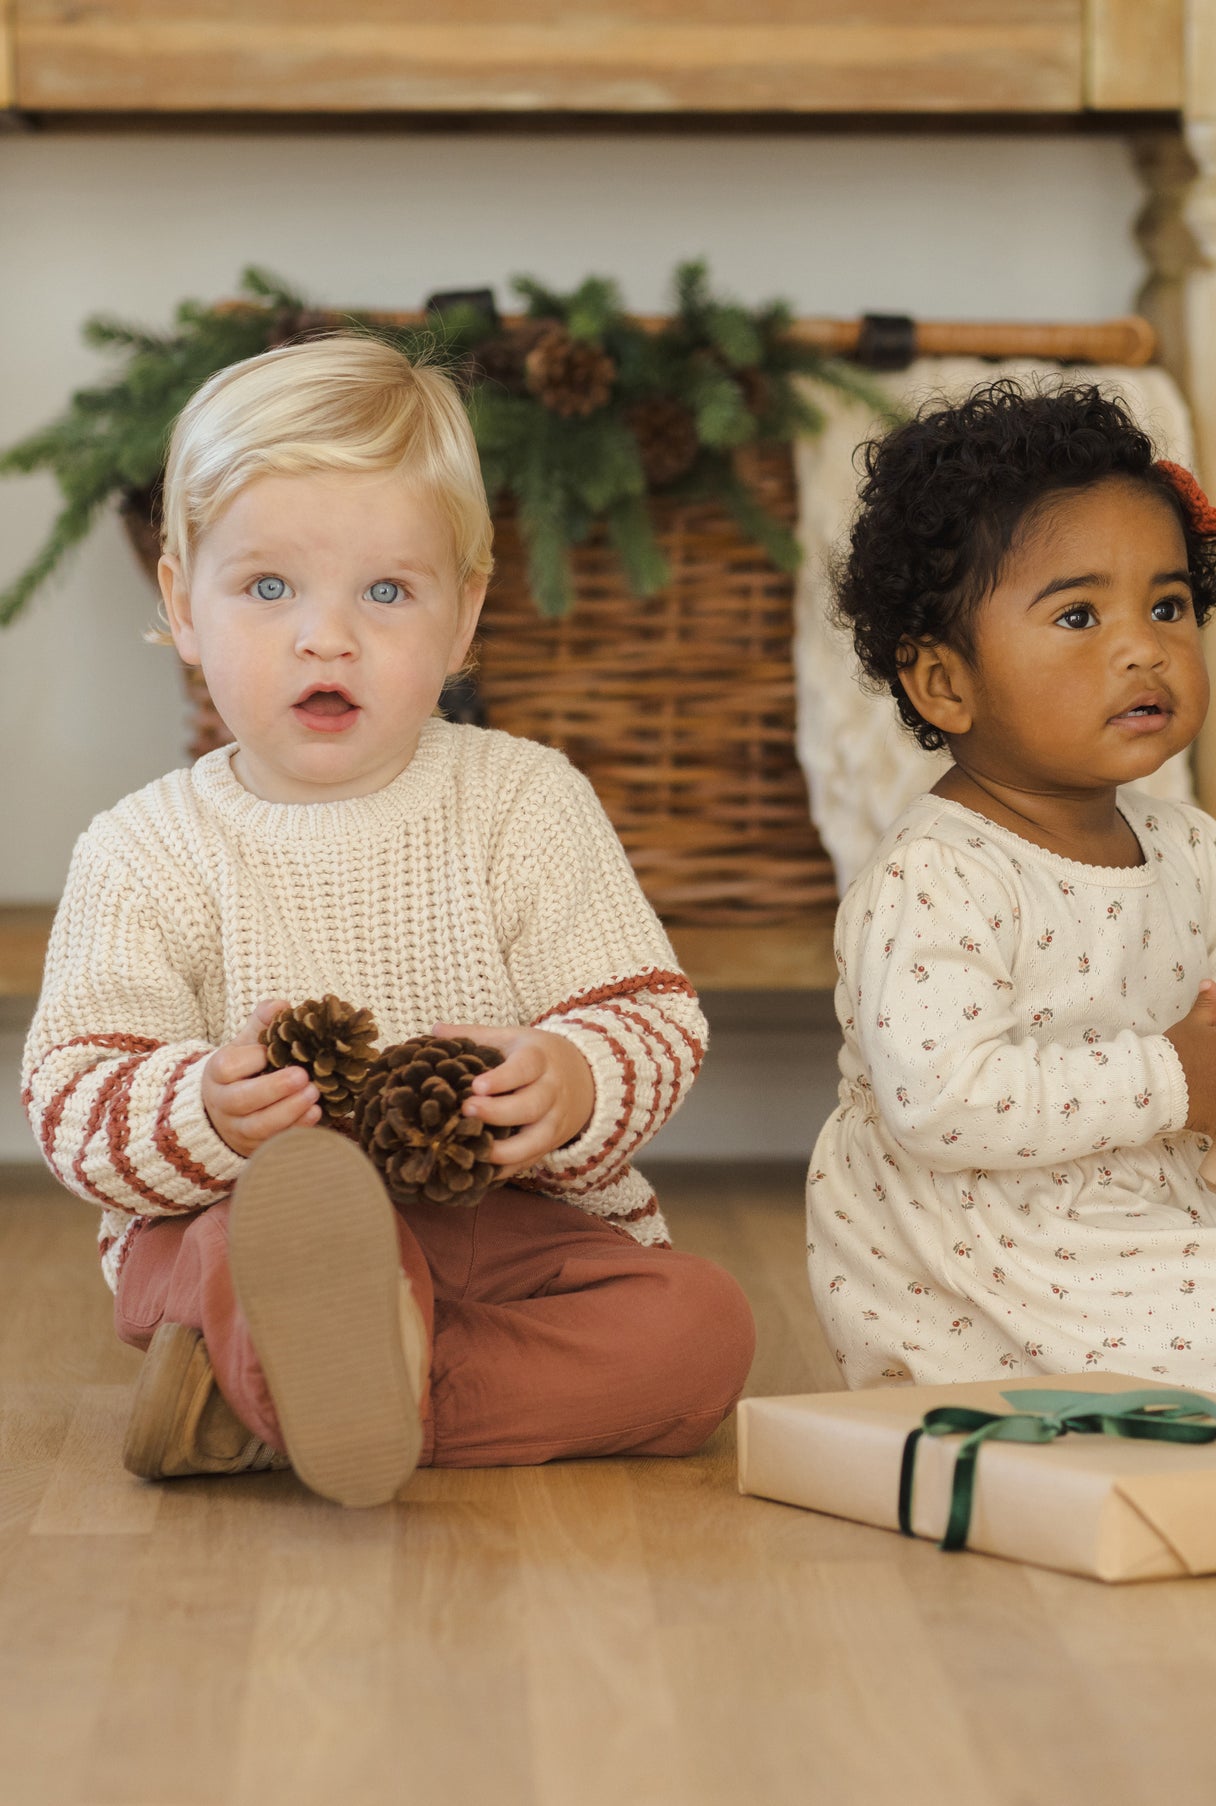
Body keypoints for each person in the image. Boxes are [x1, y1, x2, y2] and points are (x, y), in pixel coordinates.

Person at [22, 334, 754, 1507]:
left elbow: (647, 1015)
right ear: (181, 603)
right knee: (223, 1249)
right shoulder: (143, 848)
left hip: (498, 1233)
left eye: (386, 590)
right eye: (268, 588)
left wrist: (571, 1076)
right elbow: (69, 1094)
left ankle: (281, 1403)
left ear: (463, 616)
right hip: (248, 1228)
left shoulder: (524, 799)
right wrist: (203, 1108)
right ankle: (328, 1366)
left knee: (703, 1329)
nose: (328, 635)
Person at [807, 377, 1216, 1432]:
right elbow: (938, 1101)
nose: (1141, 645)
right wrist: (1172, 1074)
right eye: (1076, 614)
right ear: (943, 686)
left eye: (1165, 605)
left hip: (1150, 1208)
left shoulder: (1184, 845)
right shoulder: (935, 877)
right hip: (1002, 1266)